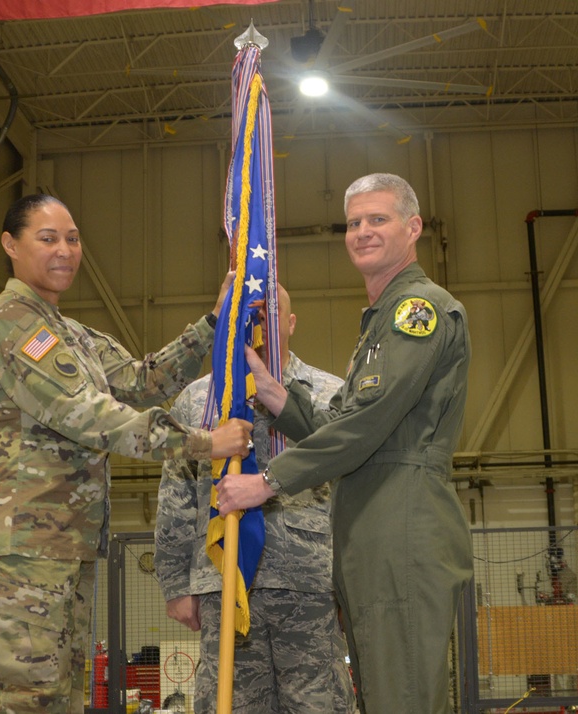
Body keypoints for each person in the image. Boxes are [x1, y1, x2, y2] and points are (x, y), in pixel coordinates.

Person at [0, 193, 252, 714]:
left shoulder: (71, 335)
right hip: (14, 551)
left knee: (62, 703)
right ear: (10, 245)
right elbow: (85, 413)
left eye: (72, 238)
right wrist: (202, 444)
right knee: (29, 705)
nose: (64, 250)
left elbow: (144, 380)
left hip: (61, 549)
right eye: (47, 238)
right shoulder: (8, 321)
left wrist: (212, 321)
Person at [216, 173, 473, 714]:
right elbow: (348, 419)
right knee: (385, 693)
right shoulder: (380, 320)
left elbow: (368, 424)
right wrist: (275, 394)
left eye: (377, 219)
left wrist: (267, 483)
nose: (362, 231)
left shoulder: (416, 312)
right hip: (372, 523)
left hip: (400, 521)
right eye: (353, 222)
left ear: (413, 227)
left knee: (401, 695)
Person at [154, 284, 356, 714]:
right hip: (224, 583)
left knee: (319, 705)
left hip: (310, 583)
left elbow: (352, 493)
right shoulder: (199, 399)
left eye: (269, 313)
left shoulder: (328, 393)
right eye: (249, 313)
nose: (258, 324)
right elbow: (178, 493)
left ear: (292, 323)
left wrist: (351, 582)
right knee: (230, 704)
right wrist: (175, 584)